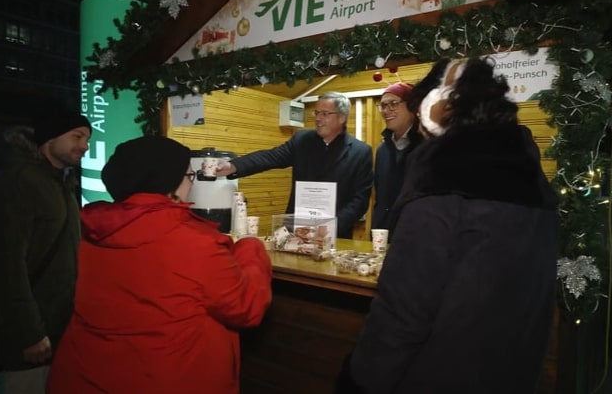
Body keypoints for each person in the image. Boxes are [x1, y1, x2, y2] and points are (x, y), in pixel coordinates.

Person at [335, 57, 559, 393]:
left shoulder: (438, 192)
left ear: (434, 112)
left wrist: (358, 381)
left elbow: (402, 315)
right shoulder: (534, 188)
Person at [47, 135, 273, 394]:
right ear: (169, 184)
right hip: (169, 378)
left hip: (87, 375)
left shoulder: (95, 230)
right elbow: (246, 306)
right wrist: (249, 246)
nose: (191, 183)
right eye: (189, 175)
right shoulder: (193, 241)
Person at [0, 110, 92, 394]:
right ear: (50, 138)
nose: (85, 145)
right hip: (32, 332)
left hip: (60, 325)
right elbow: (4, 266)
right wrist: (28, 333)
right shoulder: (18, 182)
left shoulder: (60, 182)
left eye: (88, 138)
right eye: (77, 136)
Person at [216, 91, 373, 239]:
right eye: (316, 113)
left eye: (325, 114)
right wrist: (233, 166)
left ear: (341, 118)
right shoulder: (302, 140)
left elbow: (359, 200)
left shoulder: (360, 152)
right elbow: (270, 157)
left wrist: (332, 226)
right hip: (294, 231)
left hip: (333, 236)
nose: (318, 118)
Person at [371, 81, 423, 232]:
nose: (387, 110)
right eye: (383, 106)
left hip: (415, 233)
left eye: (393, 103)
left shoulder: (426, 147)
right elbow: (380, 198)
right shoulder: (383, 150)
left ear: (412, 106)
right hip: (383, 234)